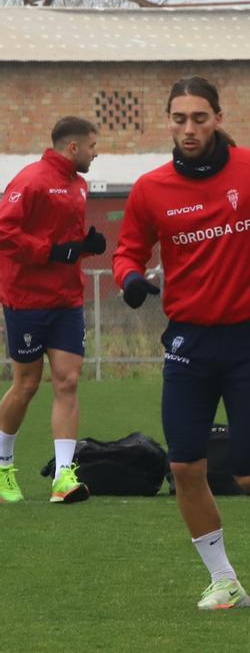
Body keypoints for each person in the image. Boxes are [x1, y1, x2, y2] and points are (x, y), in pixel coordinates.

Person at [113, 76, 250, 610]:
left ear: (218, 118)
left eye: (199, 118)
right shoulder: (151, 188)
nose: (188, 129)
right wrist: (130, 279)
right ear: (169, 122)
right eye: (178, 119)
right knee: (185, 465)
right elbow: (128, 250)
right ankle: (224, 580)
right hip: (187, 342)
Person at [0, 116, 105, 504]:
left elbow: (63, 240)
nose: (97, 153)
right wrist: (52, 252)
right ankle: (3, 467)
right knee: (26, 384)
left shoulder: (79, 185)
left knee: (68, 381)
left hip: (67, 300)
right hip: (26, 299)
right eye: (93, 146)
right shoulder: (30, 180)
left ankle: (63, 477)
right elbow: (5, 232)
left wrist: (84, 246)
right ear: (73, 147)